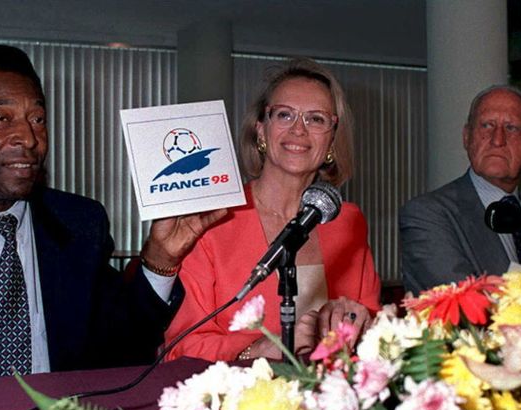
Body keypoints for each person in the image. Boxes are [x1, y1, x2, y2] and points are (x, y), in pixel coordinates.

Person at [0, 45, 224, 388]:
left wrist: (161, 258)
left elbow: (122, 349)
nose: (28, 136)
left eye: (37, 118)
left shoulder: (80, 224)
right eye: (2, 118)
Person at [163, 58, 381, 363]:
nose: (298, 130)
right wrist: (261, 350)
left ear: (332, 139)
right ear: (261, 131)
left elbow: (374, 328)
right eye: (284, 114)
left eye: (316, 119)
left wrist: (359, 323)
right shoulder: (212, 219)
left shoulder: (348, 221)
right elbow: (180, 346)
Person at [400, 85, 521, 295]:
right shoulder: (427, 214)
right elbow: (466, 304)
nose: (497, 139)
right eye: (486, 125)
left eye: (511, 128)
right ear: (466, 137)